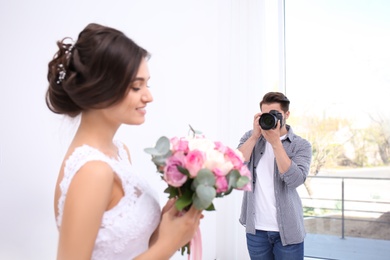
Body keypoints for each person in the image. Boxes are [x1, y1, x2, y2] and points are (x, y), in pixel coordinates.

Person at [46, 23, 203, 260]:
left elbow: (130, 248)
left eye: (146, 84)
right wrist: (168, 244)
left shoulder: (118, 152)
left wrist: (165, 227)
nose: (148, 96)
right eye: (135, 86)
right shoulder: (93, 171)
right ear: (100, 88)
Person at [237, 92, 312, 260]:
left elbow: (295, 180)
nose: (270, 118)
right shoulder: (250, 137)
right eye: (266, 115)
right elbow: (234, 165)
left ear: (286, 114)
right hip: (256, 231)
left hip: (288, 232)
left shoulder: (301, 145)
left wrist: (276, 143)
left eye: (275, 114)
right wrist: (255, 136)